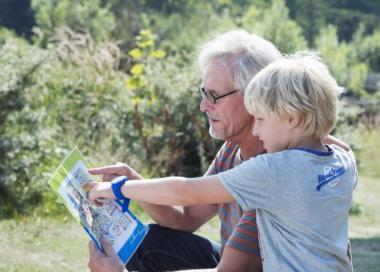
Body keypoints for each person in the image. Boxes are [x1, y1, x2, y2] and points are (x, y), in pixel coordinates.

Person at [87, 31, 350, 271]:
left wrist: (119, 189)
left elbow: (187, 194)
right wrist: (137, 185)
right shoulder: (236, 150)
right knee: (147, 242)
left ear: (254, 98)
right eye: (203, 93)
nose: (203, 105)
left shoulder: (271, 171)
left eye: (213, 95)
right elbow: (186, 217)